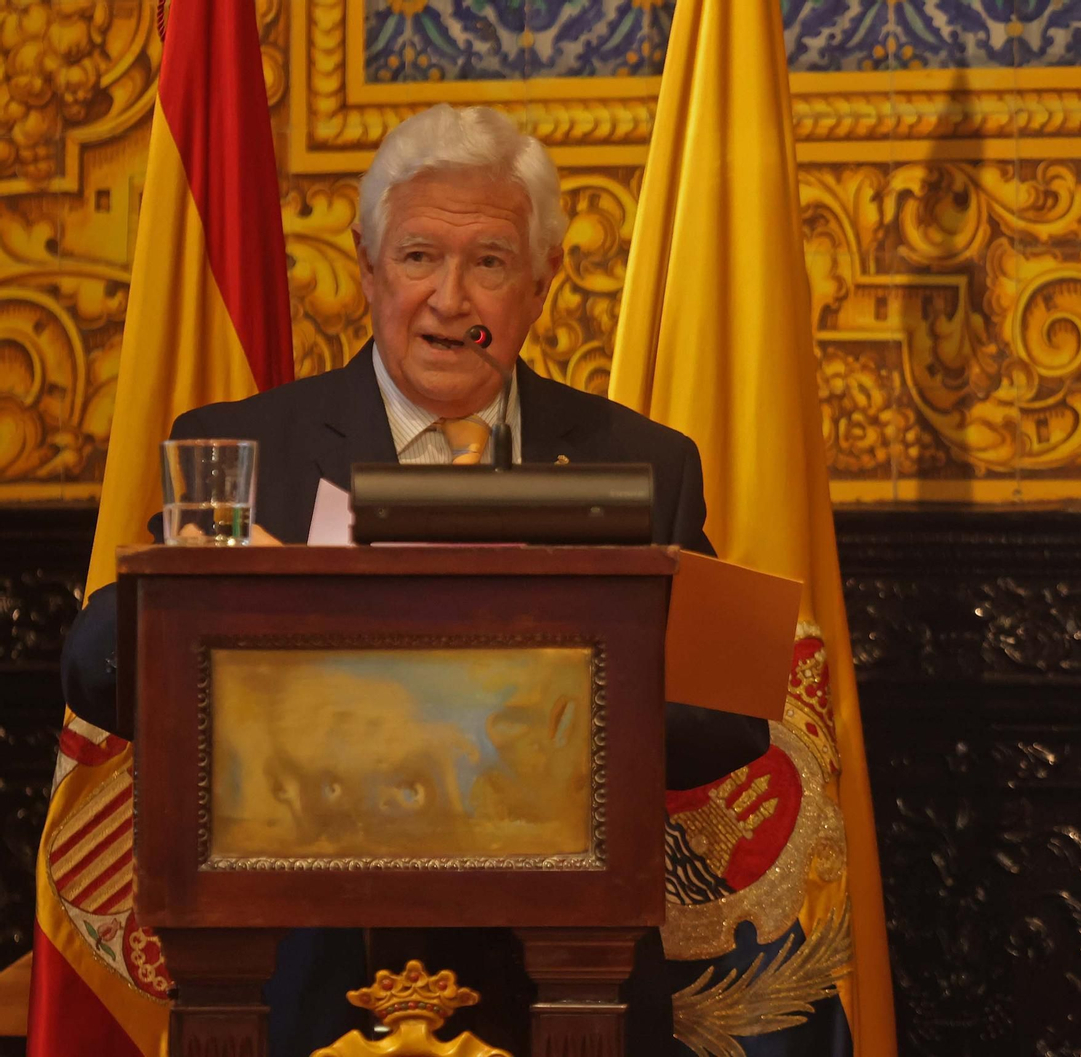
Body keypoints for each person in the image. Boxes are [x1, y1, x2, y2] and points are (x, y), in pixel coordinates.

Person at [59, 103, 770, 1057]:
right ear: (365, 267)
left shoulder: (639, 462)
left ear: (542, 282)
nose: (450, 300)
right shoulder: (248, 450)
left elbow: (728, 717)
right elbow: (101, 671)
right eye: (419, 257)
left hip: (562, 979)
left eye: (490, 262)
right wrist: (232, 603)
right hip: (302, 977)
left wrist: (536, 695)